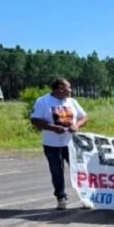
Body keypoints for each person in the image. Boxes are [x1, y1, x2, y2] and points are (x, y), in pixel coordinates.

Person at [30, 78, 89, 210]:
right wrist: (53, 128)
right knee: (57, 171)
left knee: (79, 170)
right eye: (69, 87)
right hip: (52, 144)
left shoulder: (72, 102)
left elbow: (85, 117)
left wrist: (77, 125)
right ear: (60, 88)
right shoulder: (43, 101)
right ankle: (61, 197)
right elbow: (35, 120)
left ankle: (85, 197)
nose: (71, 90)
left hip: (71, 144)